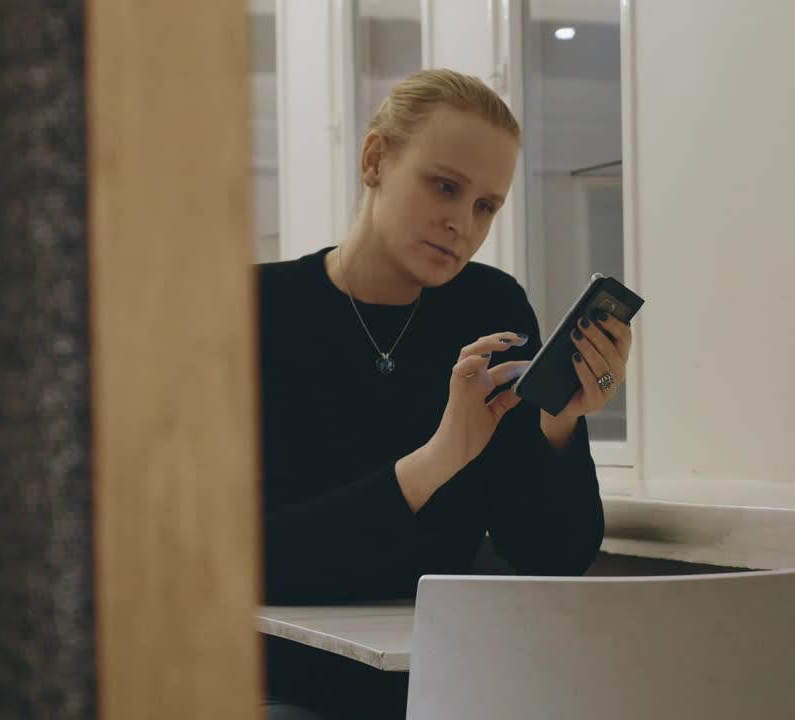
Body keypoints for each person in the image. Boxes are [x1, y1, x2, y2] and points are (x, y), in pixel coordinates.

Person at [257, 69, 633, 719]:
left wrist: (559, 426)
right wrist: (439, 458)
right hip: (282, 679)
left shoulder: (491, 305)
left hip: (448, 677)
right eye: (445, 187)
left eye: (486, 206)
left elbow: (553, 556)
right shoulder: (261, 310)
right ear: (375, 160)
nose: (462, 223)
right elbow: (261, 558)